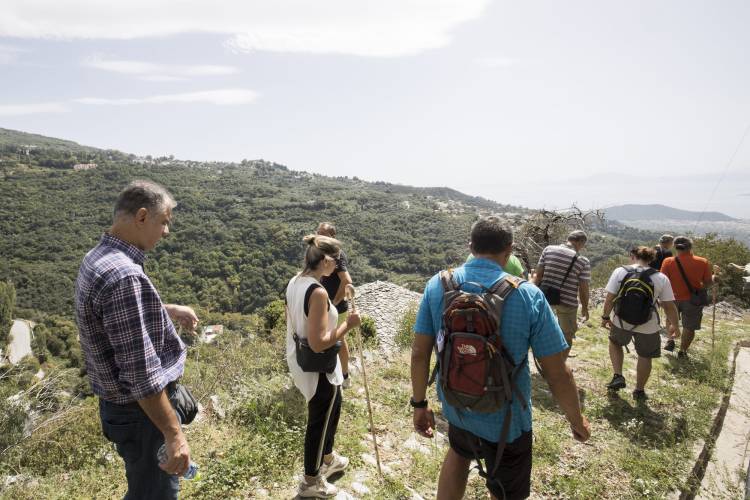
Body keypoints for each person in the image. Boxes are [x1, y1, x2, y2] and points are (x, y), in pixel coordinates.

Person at [410, 217, 590, 500]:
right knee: (506, 489)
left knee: (458, 452)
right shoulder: (528, 295)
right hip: (507, 418)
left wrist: (419, 404)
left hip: (457, 402)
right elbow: (557, 372)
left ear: (471, 246)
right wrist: (576, 420)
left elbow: (420, 353)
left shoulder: (438, 284)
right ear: (510, 250)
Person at [75, 180, 199, 499]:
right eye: (164, 222)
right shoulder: (124, 276)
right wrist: (173, 434)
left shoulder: (98, 258)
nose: (167, 232)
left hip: (122, 410)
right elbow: (141, 375)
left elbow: (112, 314)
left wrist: (167, 309)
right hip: (143, 416)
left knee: (143, 488)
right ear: (142, 216)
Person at [286, 234, 361, 498]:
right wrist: (347, 325)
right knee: (318, 421)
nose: (338, 266)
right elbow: (318, 343)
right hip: (317, 365)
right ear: (326, 261)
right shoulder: (317, 292)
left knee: (334, 403)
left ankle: (328, 458)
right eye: (336, 261)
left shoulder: (295, 281)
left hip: (300, 358)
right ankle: (310, 481)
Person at [601, 246, 681, 400]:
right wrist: (675, 326)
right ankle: (639, 390)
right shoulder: (661, 278)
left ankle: (618, 375)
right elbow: (669, 306)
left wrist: (605, 317)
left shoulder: (620, 271)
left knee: (615, 343)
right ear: (651, 259)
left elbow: (610, 298)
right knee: (645, 356)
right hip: (648, 323)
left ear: (633, 256)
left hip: (621, 320)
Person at [533, 230, 591, 360]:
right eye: (583, 245)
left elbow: (538, 275)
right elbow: (583, 288)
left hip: (545, 298)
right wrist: (585, 307)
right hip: (567, 302)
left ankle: (542, 359)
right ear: (580, 242)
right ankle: (560, 364)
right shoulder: (583, 261)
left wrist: (533, 295)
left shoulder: (548, 249)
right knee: (567, 336)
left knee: (542, 331)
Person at [660, 236, 714, 358]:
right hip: (693, 299)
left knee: (670, 319)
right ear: (690, 247)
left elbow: (662, 280)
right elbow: (708, 282)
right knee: (689, 326)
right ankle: (683, 351)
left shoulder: (668, 261)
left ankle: (670, 340)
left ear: (675, 247)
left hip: (671, 297)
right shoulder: (702, 262)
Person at [316, 222, 354, 388]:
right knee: (328, 339)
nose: (319, 236)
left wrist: (335, 302)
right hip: (325, 306)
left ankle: (345, 376)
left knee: (339, 339)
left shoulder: (336, 254)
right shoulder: (321, 252)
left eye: (323, 233)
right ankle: (331, 373)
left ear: (332, 237)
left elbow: (347, 280)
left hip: (336, 307)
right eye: (318, 232)